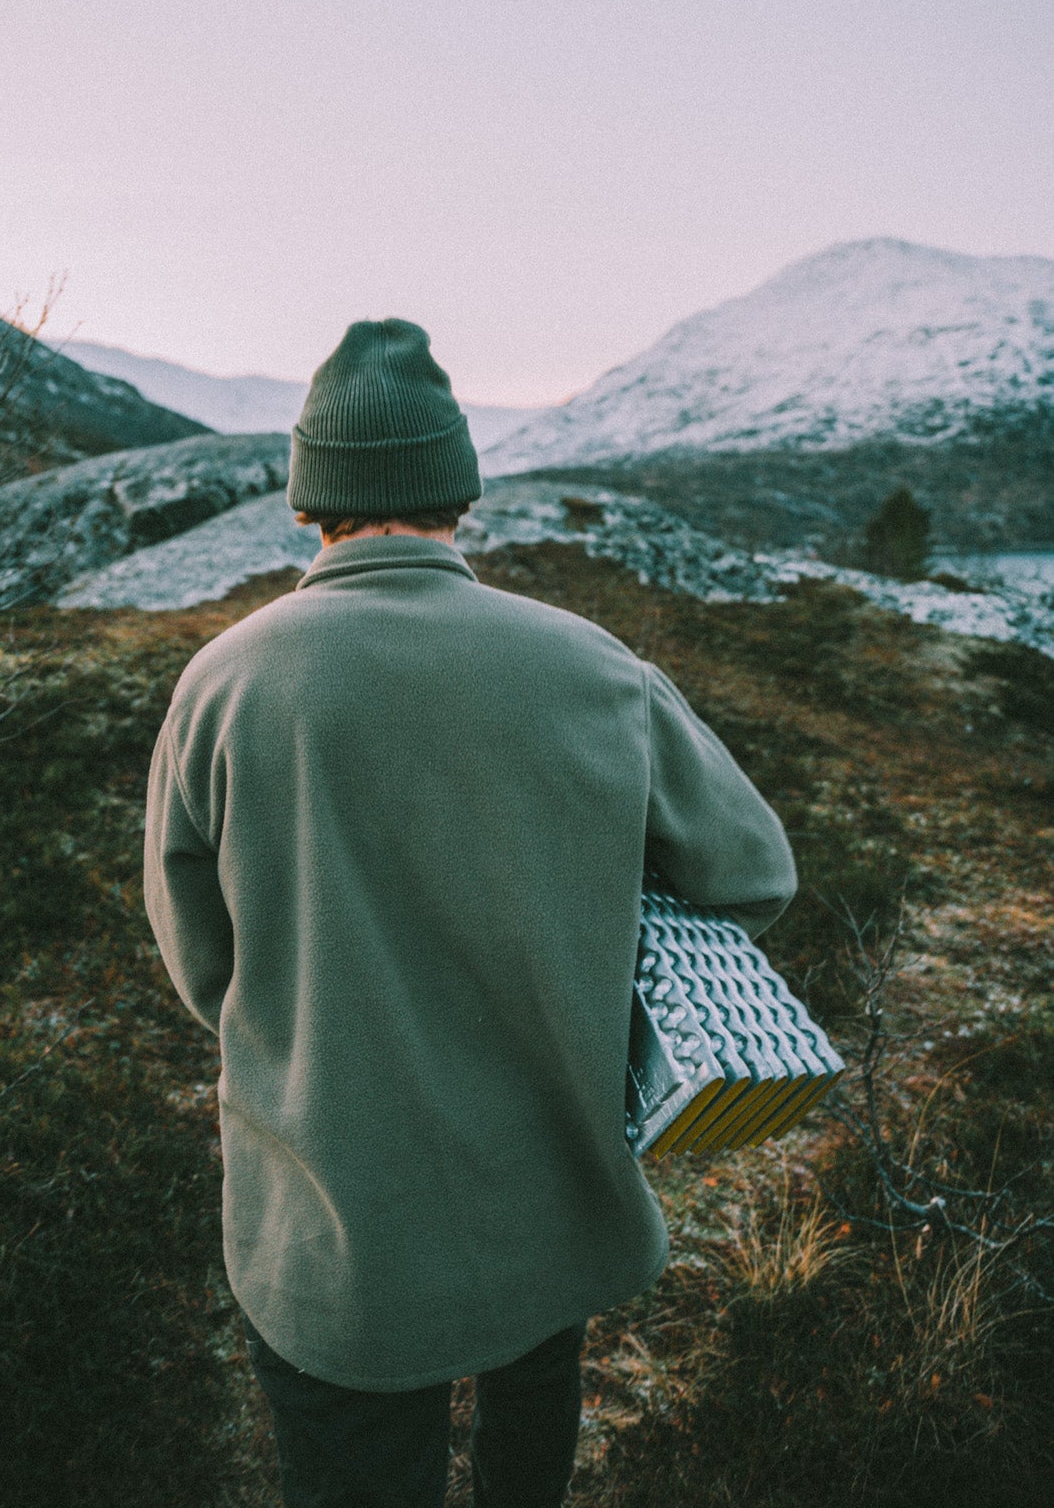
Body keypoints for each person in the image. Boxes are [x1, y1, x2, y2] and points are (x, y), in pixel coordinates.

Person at [144, 318, 796, 1508]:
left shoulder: (223, 685)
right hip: (547, 1198)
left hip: (333, 1231)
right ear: (461, 492)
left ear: (310, 503)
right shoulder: (594, 667)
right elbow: (755, 873)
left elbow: (202, 967)